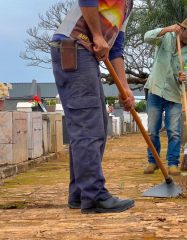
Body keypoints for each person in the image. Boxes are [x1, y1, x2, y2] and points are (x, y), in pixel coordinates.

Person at [50, 0, 135, 214]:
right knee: (88, 125)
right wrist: (97, 35)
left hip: (87, 55)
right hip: (74, 46)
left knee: (96, 124)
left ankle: (80, 193)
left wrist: (124, 88)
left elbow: (115, 48)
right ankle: (94, 195)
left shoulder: (127, 5)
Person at [143, 16, 187, 176]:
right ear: (181, 29)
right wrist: (167, 29)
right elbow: (147, 37)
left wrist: (186, 77)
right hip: (155, 89)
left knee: (174, 132)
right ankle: (152, 161)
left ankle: (173, 164)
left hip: (174, 94)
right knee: (152, 130)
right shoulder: (166, 38)